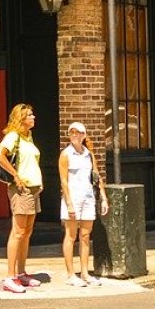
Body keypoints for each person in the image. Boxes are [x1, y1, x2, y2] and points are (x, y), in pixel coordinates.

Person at [0, 103, 43, 293]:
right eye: (30, 115)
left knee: (28, 231)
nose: (33, 117)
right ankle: (10, 276)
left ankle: (21, 273)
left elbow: (31, 163)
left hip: (33, 188)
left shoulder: (28, 137)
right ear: (21, 118)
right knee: (18, 231)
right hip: (21, 189)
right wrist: (15, 175)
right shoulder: (13, 136)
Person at [59, 121, 109, 287]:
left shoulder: (89, 154)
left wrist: (103, 196)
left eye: (78, 132)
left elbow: (96, 176)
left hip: (88, 197)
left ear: (83, 135)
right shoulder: (66, 155)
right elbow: (64, 181)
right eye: (71, 132)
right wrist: (69, 203)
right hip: (73, 198)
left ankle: (85, 273)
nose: (74, 135)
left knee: (86, 236)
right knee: (71, 235)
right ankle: (71, 274)